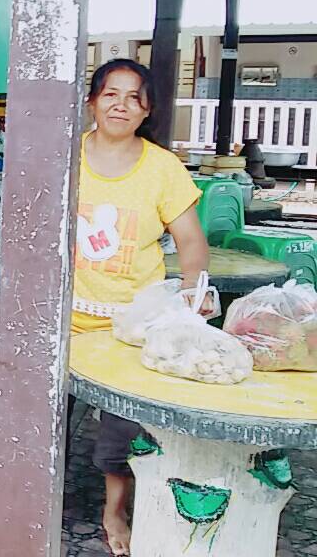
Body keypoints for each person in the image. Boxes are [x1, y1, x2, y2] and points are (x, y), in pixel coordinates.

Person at [72, 59, 211, 556]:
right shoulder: (65, 155)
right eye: (111, 93)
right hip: (61, 319)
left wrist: (194, 294)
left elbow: (190, 242)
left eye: (134, 97)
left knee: (121, 429)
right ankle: (29, 489)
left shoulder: (162, 168)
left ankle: (114, 510)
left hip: (130, 326)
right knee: (39, 415)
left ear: (147, 109)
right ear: (92, 101)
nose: (121, 105)